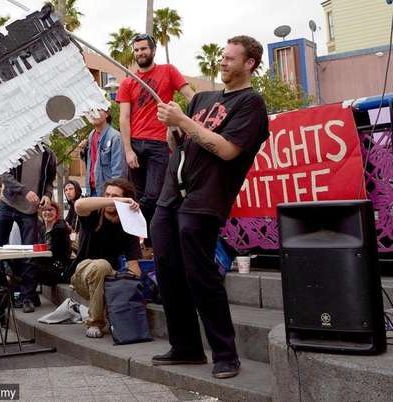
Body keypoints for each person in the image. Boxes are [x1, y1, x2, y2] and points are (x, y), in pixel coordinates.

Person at [150, 35, 270, 379]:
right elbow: (183, 141)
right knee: (168, 272)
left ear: (249, 64)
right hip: (172, 194)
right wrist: (172, 126)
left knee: (201, 275)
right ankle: (185, 347)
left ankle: (225, 354)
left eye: (231, 58)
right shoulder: (202, 98)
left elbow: (228, 150)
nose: (223, 62)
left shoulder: (251, 104)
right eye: (223, 56)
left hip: (206, 198)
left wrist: (184, 123)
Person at [116, 33, 195, 252]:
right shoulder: (128, 82)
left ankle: (150, 240)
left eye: (144, 49)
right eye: (137, 50)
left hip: (159, 143)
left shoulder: (168, 71)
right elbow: (124, 118)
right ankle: (143, 244)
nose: (140, 53)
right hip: (135, 144)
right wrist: (128, 150)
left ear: (153, 50)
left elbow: (190, 95)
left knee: (153, 195)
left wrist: (201, 114)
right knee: (137, 196)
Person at [69, 177, 141, 339]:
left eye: (114, 196)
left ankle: (113, 315)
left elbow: (134, 268)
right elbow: (78, 205)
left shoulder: (127, 225)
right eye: (107, 195)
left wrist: (125, 288)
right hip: (81, 275)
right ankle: (95, 323)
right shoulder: (93, 214)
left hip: (108, 279)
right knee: (102, 265)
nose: (110, 200)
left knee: (109, 271)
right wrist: (118, 200)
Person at [0, 146, 57, 313]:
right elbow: (4, 176)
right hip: (7, 204)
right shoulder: (16, 148)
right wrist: (24, 190)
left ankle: (27, 296)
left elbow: (49, 182)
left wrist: (47, 195)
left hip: (29, 210)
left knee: (30, 253)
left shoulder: (49, 155)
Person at [82, 108, 125, 196]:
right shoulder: (91, 135)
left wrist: (113, 194)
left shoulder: (115, 137)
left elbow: (118, 170)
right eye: (91, 111)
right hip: (91, 190)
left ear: (107, 114)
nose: (93, 114)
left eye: (98, 110)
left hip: (107, 192)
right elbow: (91, 163)